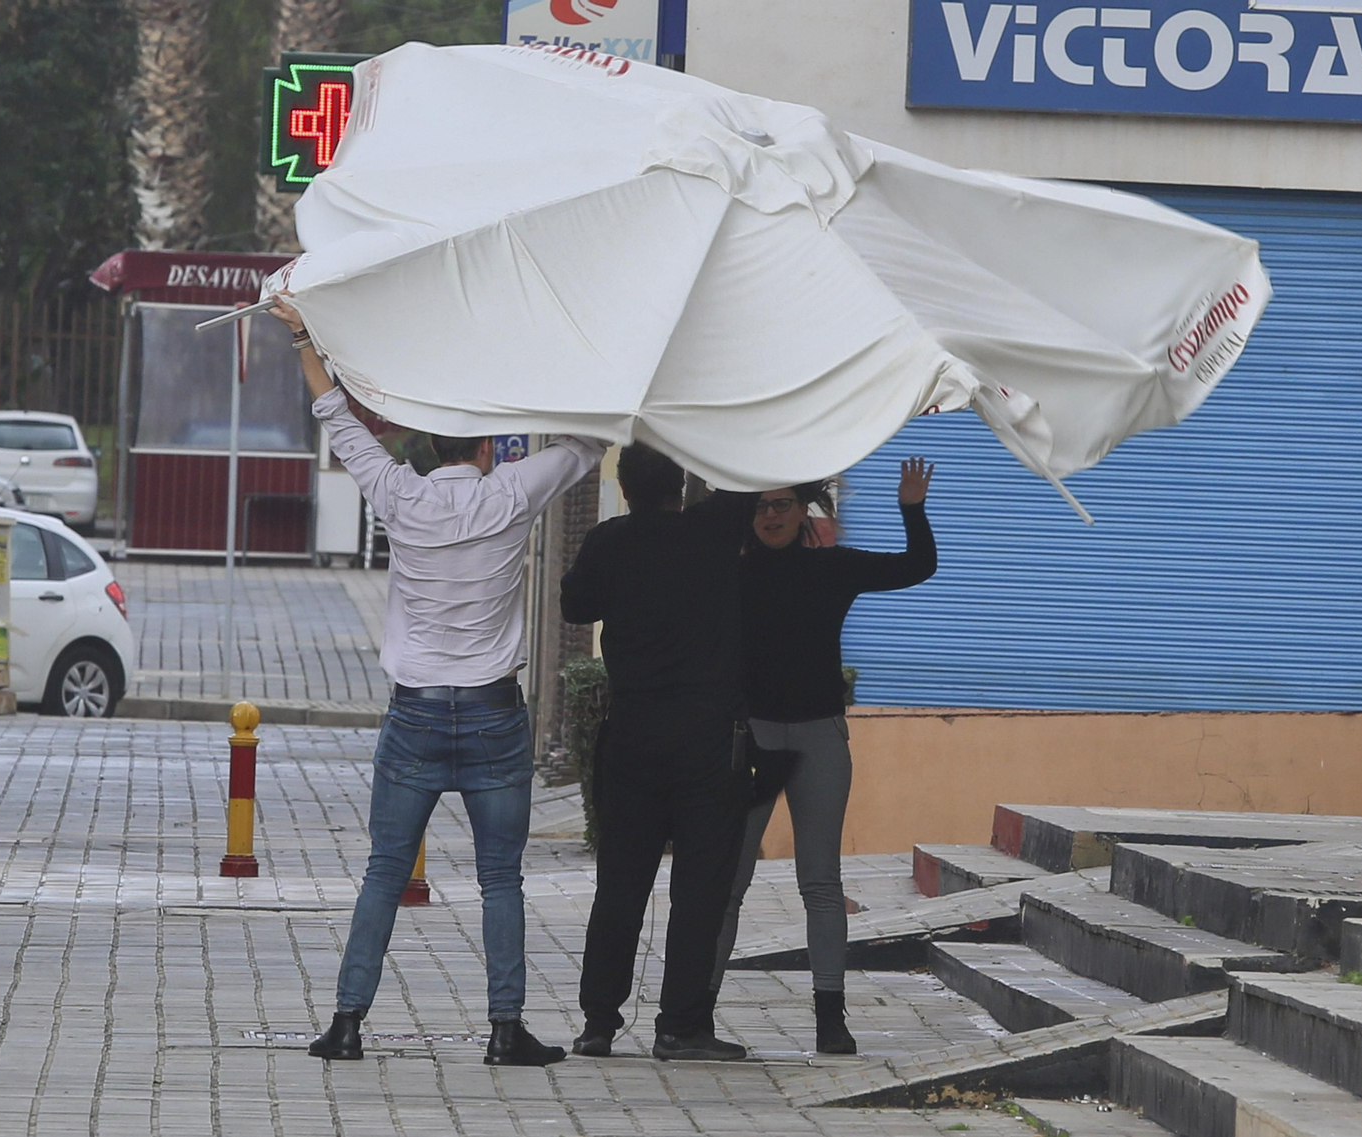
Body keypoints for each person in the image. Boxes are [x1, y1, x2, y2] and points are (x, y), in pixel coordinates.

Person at [270, 298, 605, 1067]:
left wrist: (302, 333)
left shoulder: (399, 493)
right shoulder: (512, 492)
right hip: (494, 714)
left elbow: (332, 411)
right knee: (500, 879)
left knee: (384, 871)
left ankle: (347, 1023)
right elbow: (587, 443)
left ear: (429, 445)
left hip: (415, 714)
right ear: (487, 446)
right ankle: (505, 1029)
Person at [710, 457, 936, 1054]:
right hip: (752, 738)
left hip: (818, 737)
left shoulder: (831, 567)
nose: (771, 516)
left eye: (782, 504)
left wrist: (911, 508)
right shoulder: (728, 574)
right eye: (760, 506)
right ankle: (695, 1014)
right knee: (727, 883)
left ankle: (830, 1018)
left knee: (821, 881)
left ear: (803, 509)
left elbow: (918, 566)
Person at [560, 444, 755, 1061]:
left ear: (624, 488)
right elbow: (751, 467)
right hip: (706, 740)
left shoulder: (609, 541)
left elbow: (574, 605)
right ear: (681, 484)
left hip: (633, 735)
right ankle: (680, 1026)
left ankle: (598, 1021)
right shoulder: (714, 530)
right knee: (699, 888)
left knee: (620, 884)